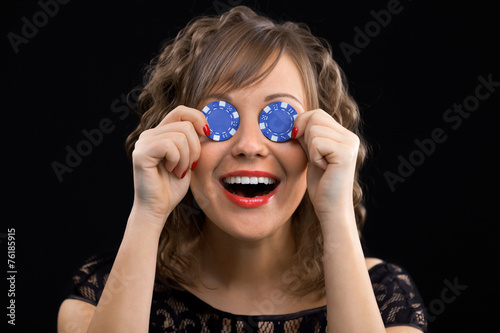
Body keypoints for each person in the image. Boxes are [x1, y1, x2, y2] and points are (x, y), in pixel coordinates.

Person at [57, 6, 427, 332]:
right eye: (221, 118)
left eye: (279, 120)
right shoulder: (101, 290)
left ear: (321, 136)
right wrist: (148, 212)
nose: (250, 146)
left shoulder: (386, 299)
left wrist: (335, 211)